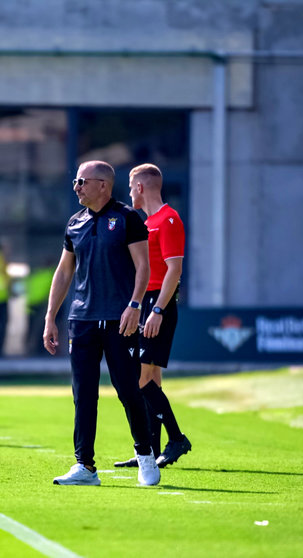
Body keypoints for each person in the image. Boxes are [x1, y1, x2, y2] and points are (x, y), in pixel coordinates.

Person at [44, 160, 160, 487]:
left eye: (81, 181)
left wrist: (135, 305)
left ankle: (145, 455)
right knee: (83, 394)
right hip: (81, 319)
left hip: (119, 319)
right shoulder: (75, 222)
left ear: (102, 185)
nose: (76, 187)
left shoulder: (128, 219)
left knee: (127, 389)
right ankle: (85, 466)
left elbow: (143, 267)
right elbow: (64, 272)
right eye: (76, 181)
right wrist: (50, 317)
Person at [113, 163, 192, 470]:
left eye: (131, 187)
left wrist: (158, 309)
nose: (129, 192)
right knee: (152, 380)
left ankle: (176, 439)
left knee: (141, 380)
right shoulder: (147, 223)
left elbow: (175, 269)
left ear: (141, 188)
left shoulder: (169, 219)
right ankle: (150, 451)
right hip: (146, 302)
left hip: (159, 304)